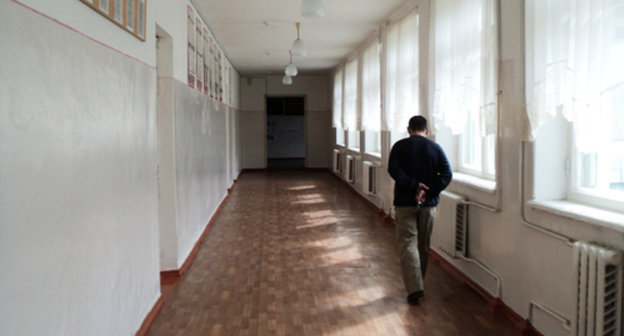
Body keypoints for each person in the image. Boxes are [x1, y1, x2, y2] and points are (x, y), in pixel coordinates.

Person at [388, 115, 452, 305]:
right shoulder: (435, 148)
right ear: (427, 129)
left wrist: (414, 185)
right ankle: (418, 284)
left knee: (407, 244)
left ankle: (414, 287)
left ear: (408, 129)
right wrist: (427, 190)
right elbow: (447, 174)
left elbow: (394, 170)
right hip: (428, 204)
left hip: (404, 202)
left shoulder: (399, 147)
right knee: (423, 245)